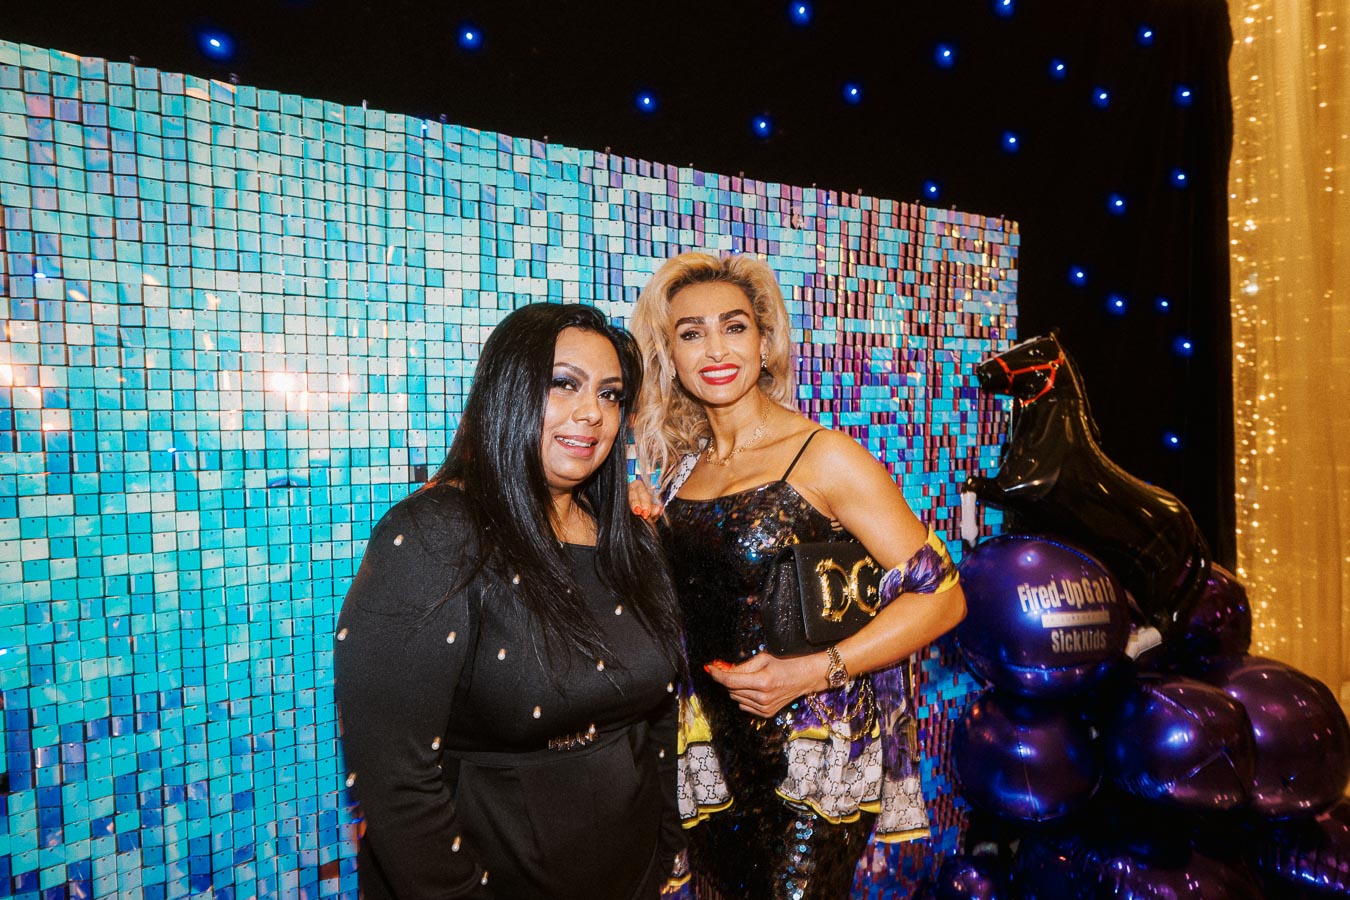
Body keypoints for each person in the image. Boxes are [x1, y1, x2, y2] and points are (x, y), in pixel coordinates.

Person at [629, 252, 967, 899]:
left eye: (733, 326)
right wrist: (643, 534)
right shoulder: (679, 474)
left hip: (815, 765)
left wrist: (813, 670)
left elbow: (944, 599)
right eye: (690, 332)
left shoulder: (826, 457)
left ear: (764, 340)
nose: (715, 349)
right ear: (669, 352)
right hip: (714, 767)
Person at [334, 303, 687, 899]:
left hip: (630, 876)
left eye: (610, 395)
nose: (591, 414)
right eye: (564, 384)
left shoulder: (627, 532)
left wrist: (666, 851)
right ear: (507, 390)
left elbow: (659, 716)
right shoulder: (434, 534)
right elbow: (398, 782)